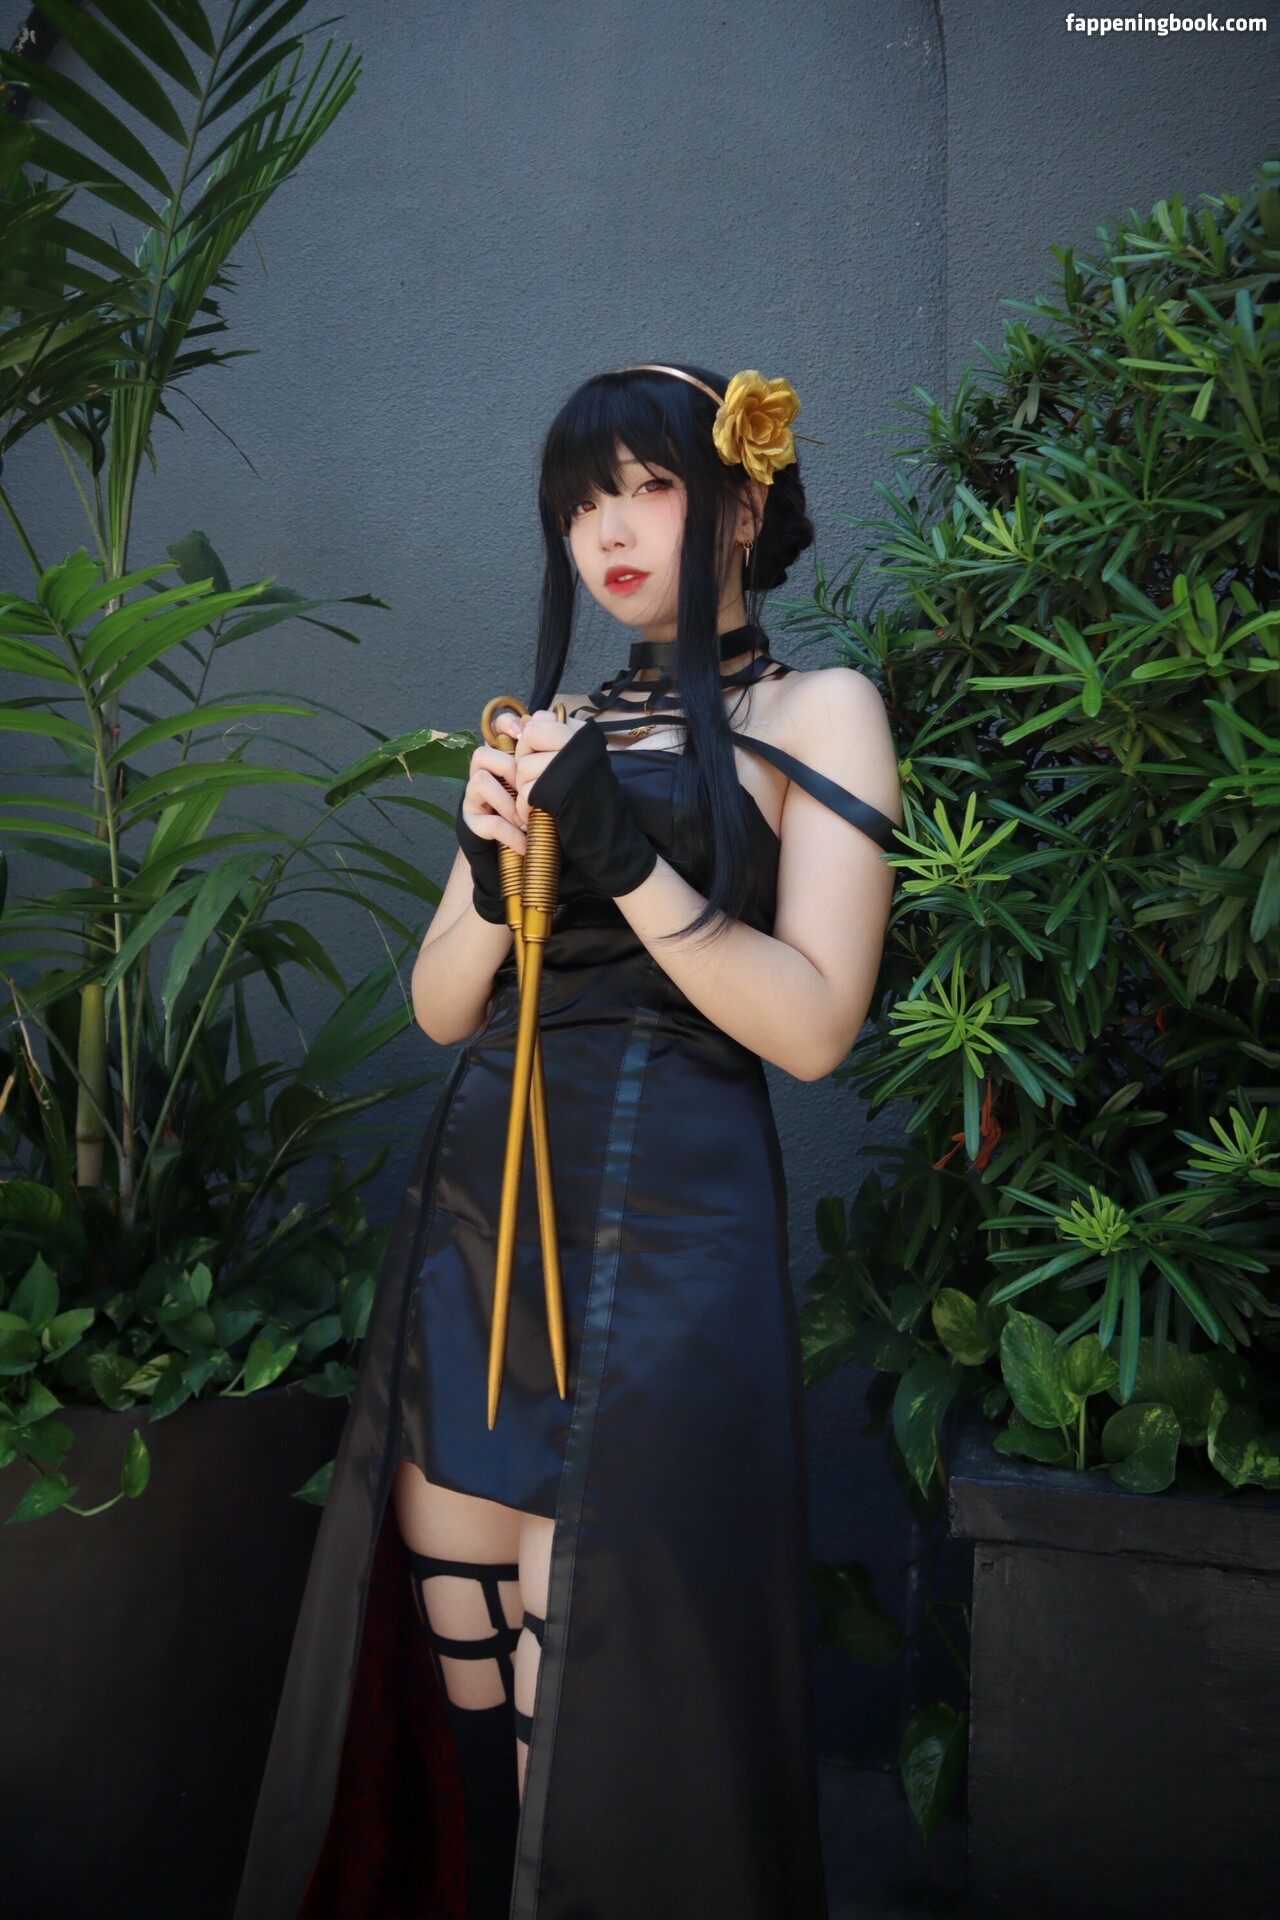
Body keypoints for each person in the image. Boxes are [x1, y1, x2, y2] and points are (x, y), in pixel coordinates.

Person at [233, 362, 902, 1920]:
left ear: (743, 502)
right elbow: (439, 1008)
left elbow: (814, 1028)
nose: (608, 529)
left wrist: (629, 862)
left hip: (673, 1241)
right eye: (581, 502)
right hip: (480, 1224)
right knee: (460, 1688)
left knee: (598, 1711)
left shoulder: (824, 712)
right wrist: (491, 874)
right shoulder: (555, 726)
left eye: (648, 487)